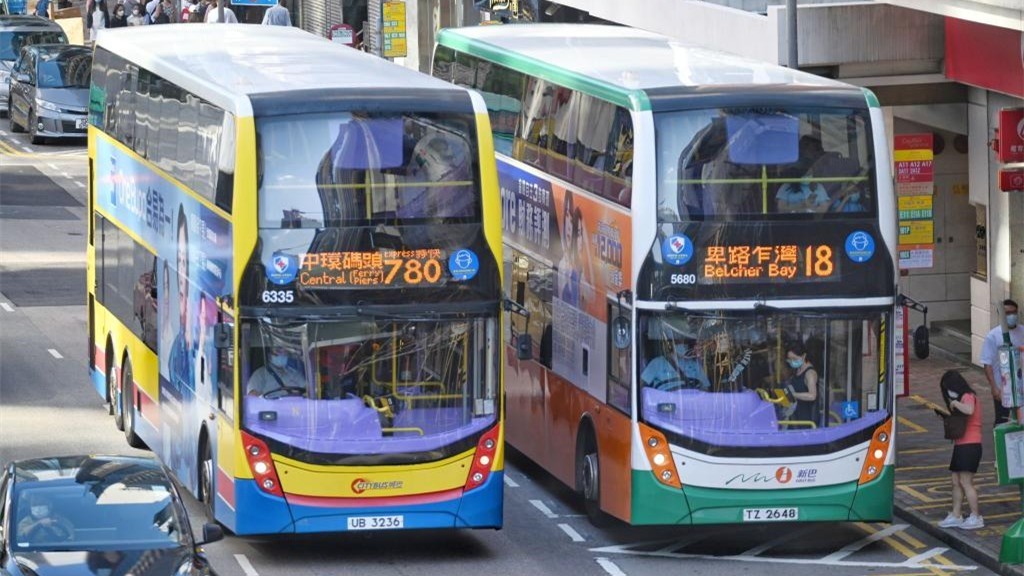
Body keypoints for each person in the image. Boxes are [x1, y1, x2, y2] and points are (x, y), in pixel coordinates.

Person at [937, 370, 985, 530]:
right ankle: (956, 515)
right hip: (961, 444)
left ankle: (976, 516)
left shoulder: (968, 396)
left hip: (970, 445)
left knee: (965, 482)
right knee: (956, 481)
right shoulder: (963, 397)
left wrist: (955, 404)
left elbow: (969, 410)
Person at [980, 299, 1024, 426]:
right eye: (1008, 313)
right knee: (1002, 420)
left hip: (1021, 386)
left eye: (1014, 312)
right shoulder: (993, 336)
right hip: (1003, 387)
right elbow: (987, 364)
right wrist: (994, 387)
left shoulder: (1022, 331)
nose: (1012, 316)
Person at [641, 338, 711, 391]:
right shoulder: (658, 363)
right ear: (671, 342)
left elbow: (706, 390)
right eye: (678, 341)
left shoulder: (695, 365)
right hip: (666, 403)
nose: (682, 344)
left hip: (691, 402)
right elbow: (640, 386)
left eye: (685, 341)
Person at [782, 340, 819, 425]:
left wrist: (793, 395)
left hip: (807, 421)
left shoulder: (810, 373)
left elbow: (812, 396)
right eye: (789, 359)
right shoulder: (797, 370)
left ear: (804, 356)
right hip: (795, 417)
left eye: (794, 359)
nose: (792, 362)